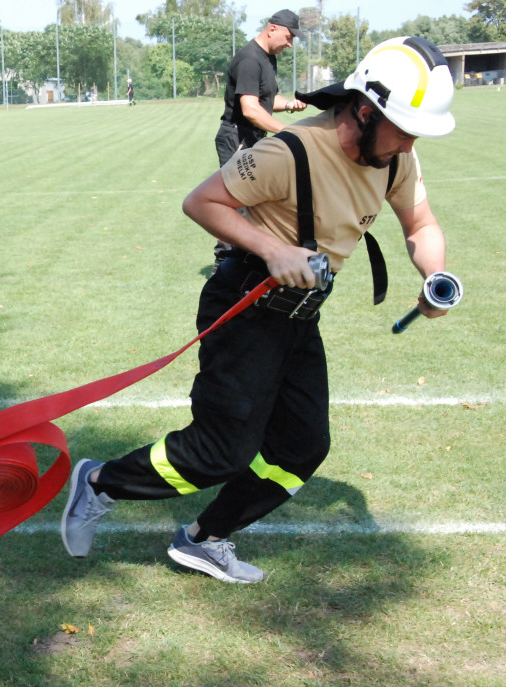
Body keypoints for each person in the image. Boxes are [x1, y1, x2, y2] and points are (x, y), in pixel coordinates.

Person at [61, 37, 457, 583]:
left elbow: (421, 225)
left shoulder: (396, 159)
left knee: (302, 447)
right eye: (405, 128)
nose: (412, 142)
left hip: (299, 316)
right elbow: (201, 201)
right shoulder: (288, 153)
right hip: (244, 307)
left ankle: (204, 539)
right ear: (365, 112)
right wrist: (273, 249)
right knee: (218, 453)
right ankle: (101, 481)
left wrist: (433, 276)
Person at [211, 9, 309, 268]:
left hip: (252, 138)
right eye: (288, 38)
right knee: (235, 204)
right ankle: (224, 266)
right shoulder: (249, 60)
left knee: (259, 202)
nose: (289, 44)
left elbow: (264, 100)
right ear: (272, 29)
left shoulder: (267, 58)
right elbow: (251, 109)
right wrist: (287, 132)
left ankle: (250, 263)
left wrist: (288, 104)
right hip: (237, 138)